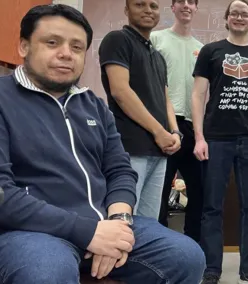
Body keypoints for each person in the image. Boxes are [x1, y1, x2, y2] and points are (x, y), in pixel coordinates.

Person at [0, 4, 205, 284]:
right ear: (24, 46)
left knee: (186, 255)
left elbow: (119, 169)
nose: (65, 54)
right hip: (23, 231)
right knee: (46, 272)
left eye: (77, 47)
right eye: (52, 42)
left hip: (101, 222)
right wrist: (88, 232)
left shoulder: (93, 105)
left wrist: (119, 223)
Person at [190, 1, 248, 283]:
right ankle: (212, 269)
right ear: (226, 19)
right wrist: (199, 137)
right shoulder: (210, 51)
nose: (240, 17)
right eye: (235, 13)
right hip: (215, 139)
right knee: (211, 207)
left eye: (245, 13)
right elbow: (198, 95)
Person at [98, 0, 180, 219]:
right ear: (126, 10)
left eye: (153, 6)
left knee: (148, 223)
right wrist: (159, 132)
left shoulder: (158, 56)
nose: (147, 10)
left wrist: (174, 132)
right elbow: (120, 91)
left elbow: (165, 99)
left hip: (160, 151)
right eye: (140, 4)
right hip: (130, 149)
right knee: (124, 221)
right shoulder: (117, 40)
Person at [150, 0, 205, 242]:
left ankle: (192, 246)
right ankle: (159, 245)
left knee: (199, 192)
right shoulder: (156, 40)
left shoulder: (202, 49)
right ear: (171, 7)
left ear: (196, 8)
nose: (185, 5)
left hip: (194, 127)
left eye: (191, 2)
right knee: (158, 193)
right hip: (162, 125)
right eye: (180, 1)